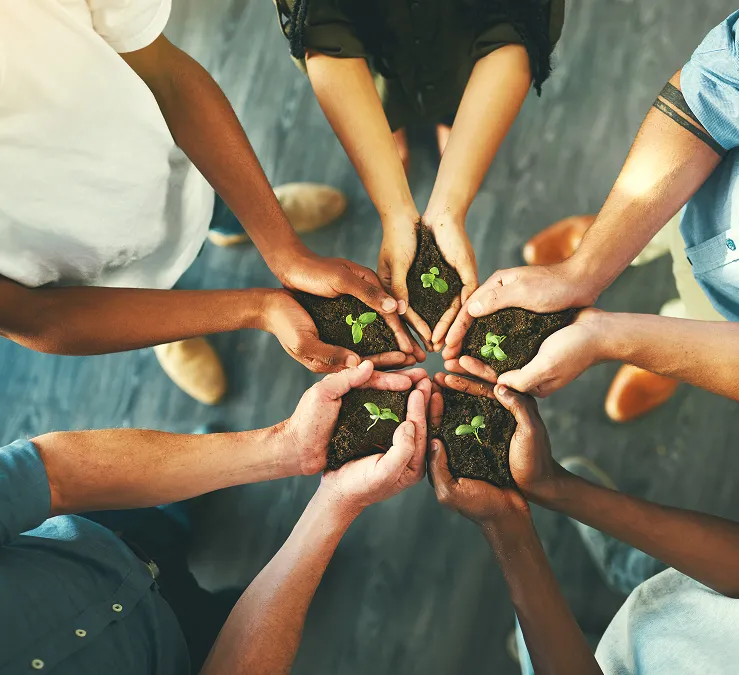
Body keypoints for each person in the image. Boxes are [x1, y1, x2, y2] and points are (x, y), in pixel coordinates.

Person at [443, 0, 739, 423]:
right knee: (655, 223)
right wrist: (583, 270)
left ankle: (667, 350)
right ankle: (600, 239)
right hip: (701, 181)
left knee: (694, 321)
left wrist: (609, 338)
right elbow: (728, 81)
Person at [0, 0, 421, 406]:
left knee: (211, 203)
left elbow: (164, 72)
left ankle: (244, 220)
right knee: (143, 290)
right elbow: (36, 317)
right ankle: (172, 331)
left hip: (172, 162)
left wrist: (285, 252)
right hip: (87, 281)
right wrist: (261, 308)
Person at [0, 361, 431, 674]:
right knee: (224, 618)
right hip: (185, 655)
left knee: (155, 526)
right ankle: (243, 597)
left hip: (103, 536)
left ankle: (176, 515)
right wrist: (336, 502)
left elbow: (53, 475)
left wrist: (288, 447)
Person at [429, 374, 739, 675]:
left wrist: (508, 527)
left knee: (540, 648)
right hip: (710, 595)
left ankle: (558, 642)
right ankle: (627, 567)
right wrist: (554, 485)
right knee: (662, 580)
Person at [274, 0, 564, 350]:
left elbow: (513, 26)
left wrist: (449, 207)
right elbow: (327, 33)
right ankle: (389, 129)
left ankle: (451, 124)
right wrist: (395, 211)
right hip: (373, 45)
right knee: (381, 93)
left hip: (462, 35)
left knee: (459, 81)